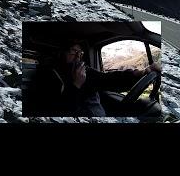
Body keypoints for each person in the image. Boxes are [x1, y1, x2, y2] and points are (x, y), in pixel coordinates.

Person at [30, 39, 161, 117]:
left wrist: (138, 73)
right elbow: (54, 111)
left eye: (80, 53)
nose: (77, 56)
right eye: (72, 51)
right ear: (61, 53)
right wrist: (76, 85)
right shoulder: (47, 74)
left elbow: (109, 79)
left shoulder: (84, 71)